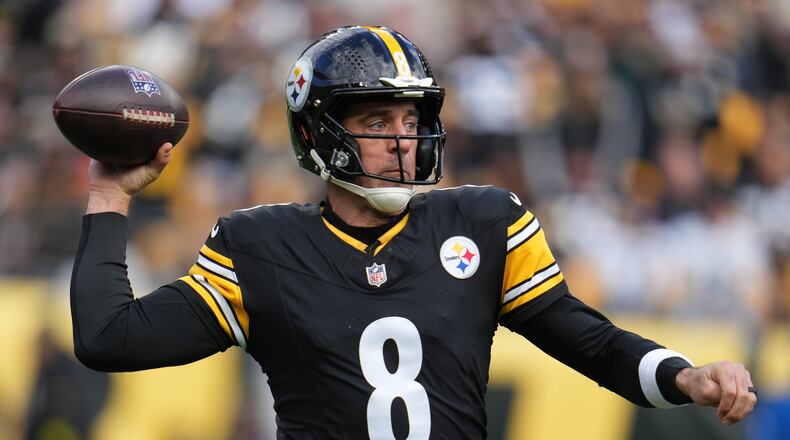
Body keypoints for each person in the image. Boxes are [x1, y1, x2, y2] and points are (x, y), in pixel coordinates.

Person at [71, 26, 757, 439]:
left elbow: (591, 342)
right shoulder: (259, 247)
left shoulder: (486, 222)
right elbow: (109, 339)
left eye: (410, 121)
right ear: (317, 133)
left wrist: (682, 374)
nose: (402, 142)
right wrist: (108, 193)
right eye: (376, 123)